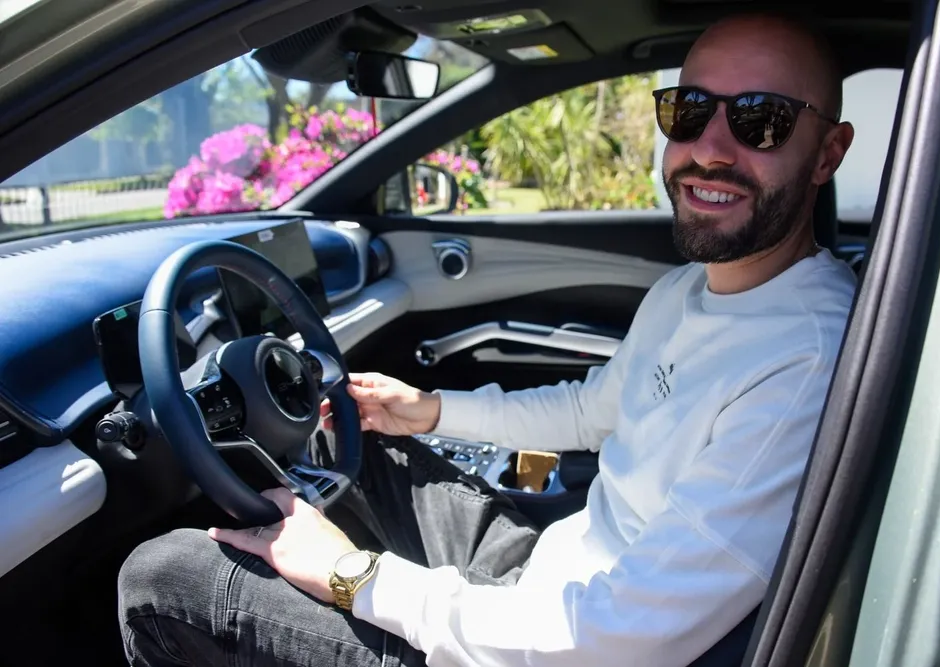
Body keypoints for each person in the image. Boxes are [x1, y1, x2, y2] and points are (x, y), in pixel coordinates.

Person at [118, 12, 858, 667]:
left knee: (161, 579)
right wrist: (430, 408)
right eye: (688, 110)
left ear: (827, 152)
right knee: (362, 434)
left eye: (762, 119)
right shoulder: (689, 287)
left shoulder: (804, 362)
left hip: (559, 643)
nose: (712, 148)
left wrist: (352, 577)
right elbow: (591, 411)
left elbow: (614, 636)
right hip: (547, 571)